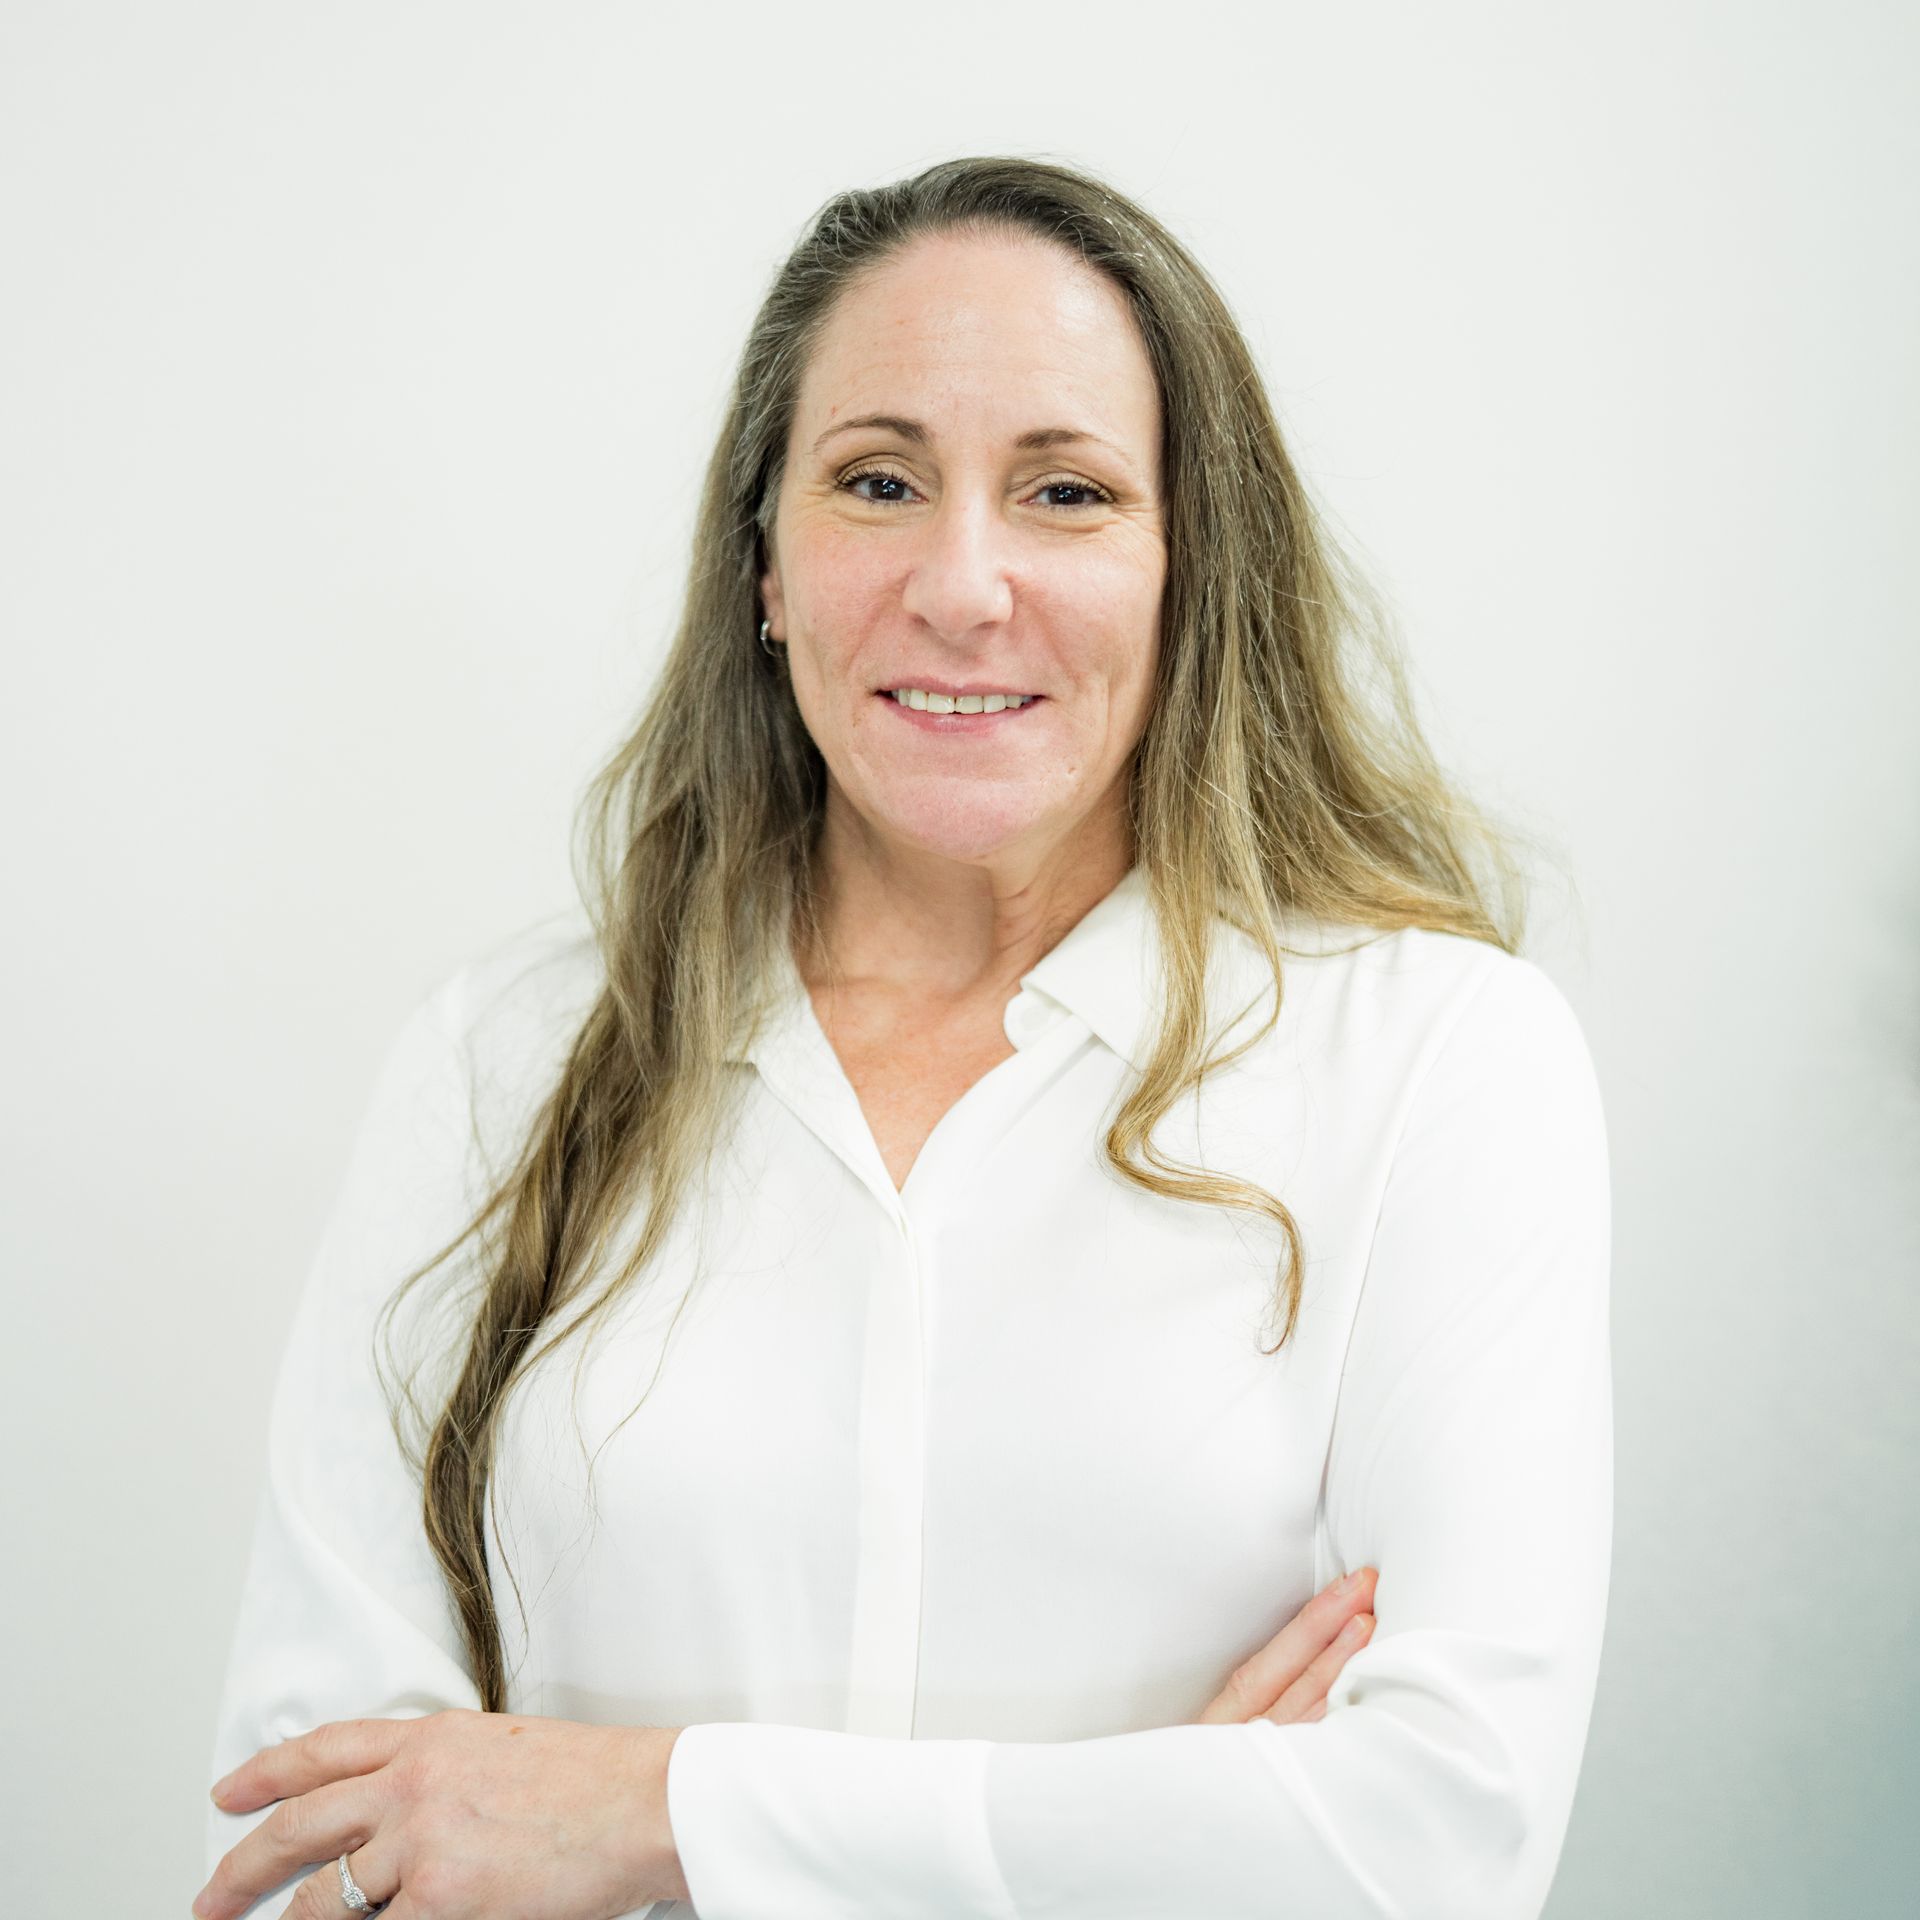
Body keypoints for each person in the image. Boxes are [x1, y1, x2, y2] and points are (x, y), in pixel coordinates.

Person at [197, 154, 1612, 1920]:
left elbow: (1436, 1844)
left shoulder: (1440, 1064)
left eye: (1068, 493)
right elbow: (295, 1867)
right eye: (878, 481)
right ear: (766, 566)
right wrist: (1160, 1831)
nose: (961, 585)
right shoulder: (496, 1067)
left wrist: (657, 1812)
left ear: (1194, 569)